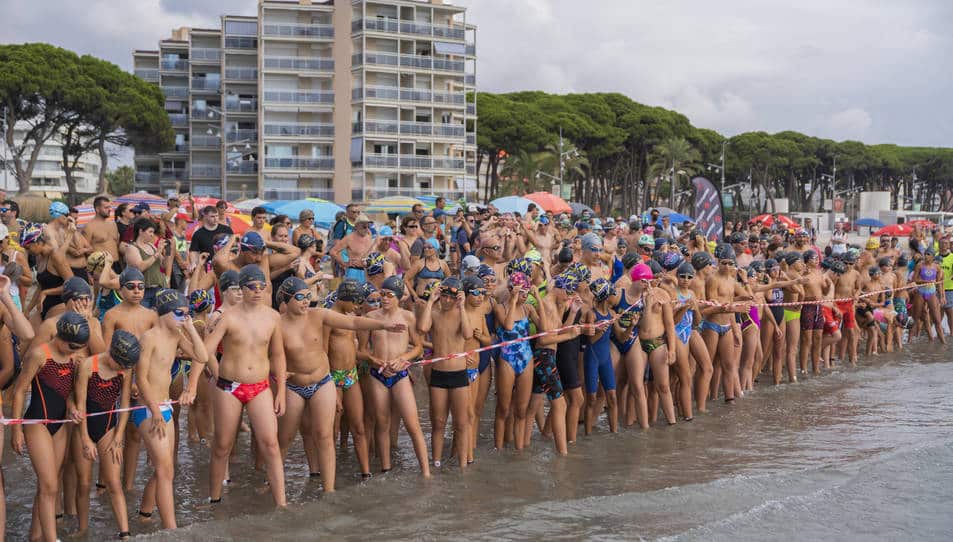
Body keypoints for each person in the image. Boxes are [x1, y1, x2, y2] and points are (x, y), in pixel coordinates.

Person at [277, 278, 404, 489]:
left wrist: (383, 325)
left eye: (308, 296)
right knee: (285, 438)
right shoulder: (278, 324)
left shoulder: (318, 315)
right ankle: (275, 483)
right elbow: (266, 352)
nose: (306, 301)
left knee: (325, 436)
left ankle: (329, 491)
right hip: (294, 386)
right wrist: (277, 374)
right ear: (287, 299)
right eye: (300, 297)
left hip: (323, 381)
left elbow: (353, 322)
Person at [203, 265, 287, 507]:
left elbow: (278, 355)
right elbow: (207, 350)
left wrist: (280, 390)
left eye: (262, 286)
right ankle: (215, 499)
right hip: (229, 386)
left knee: (271, 444)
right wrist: (192, 385)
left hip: (260, 387)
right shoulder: (227, 317)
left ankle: (282, 504)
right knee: (222, 446)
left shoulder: (272, 316)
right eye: (252, 286)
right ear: (242, 289)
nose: (258, 291)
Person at [10, 312, 89, 542]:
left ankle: (36, 536)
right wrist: (16, 429)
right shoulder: (39, 354)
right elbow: (19, 390)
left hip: (60, 424)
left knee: (47, 486)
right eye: (72, 346)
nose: (75, 351)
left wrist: (74, 407)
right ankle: (52, 539)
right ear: (60, 337)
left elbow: (68, 394)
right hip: (37, 423)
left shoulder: (73, 357)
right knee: (50, 486)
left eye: (79, 347)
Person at [133, 290, 206, 529]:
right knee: (165, 472)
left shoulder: (176, 335)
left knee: (165, 469)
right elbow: (141, 379)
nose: (183, 318)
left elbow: (201, 356)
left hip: (164, 406)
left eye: (186, 314)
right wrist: (154, 411)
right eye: (179, 313)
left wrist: (191, 328)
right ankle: (171, 529)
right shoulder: (149, 338)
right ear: (163, 313)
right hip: (148, 409)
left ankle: (144, 514)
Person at [356, 276, 430, 476]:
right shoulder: (371, 318)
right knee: (382, 423)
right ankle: (386, 469)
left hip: (400, 374)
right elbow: (360, 351)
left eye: (389, 295)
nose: (385, 298)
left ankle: (426, 472)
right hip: (377, 374)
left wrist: (403, 358)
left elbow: (418, 347)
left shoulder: (407, 317)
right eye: (382, 294)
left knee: (413, 424)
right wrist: (372, 359)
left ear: (398, 297)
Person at [72, 330, 140, 539]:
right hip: (82, 427)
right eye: (120, 365)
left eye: (126, 367)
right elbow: (80, 405)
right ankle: (82, 530)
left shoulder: (126, 369)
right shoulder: (88, 366)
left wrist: (119, 435)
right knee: (84, 483)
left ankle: (125, 533)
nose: (122, 369)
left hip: (108, 427)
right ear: (111, 354)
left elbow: (126, 404)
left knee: (114, 483)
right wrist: (84, 439)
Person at [418, 277, 472, 469]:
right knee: (438, 422)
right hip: (439, 374)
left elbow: (467, 334)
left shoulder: (460, 313)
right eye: (444, 297)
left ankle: (463, 464)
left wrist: (463, 307)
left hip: (459, 373)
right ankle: (436, 462)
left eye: (451, 297)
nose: (447, 301)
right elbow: (422, 328)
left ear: (457, 298)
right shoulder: (433, 312)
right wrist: (431, 300)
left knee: (461, 422)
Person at [123, 217, 171, 308]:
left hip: (159, 288)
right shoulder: (132, 248)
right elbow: (140, 267)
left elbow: (163, 265)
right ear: (141, 231)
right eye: (150, 232)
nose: (152, 235)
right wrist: (157, 253)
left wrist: (167, 253)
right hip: (143, 291)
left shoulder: (151, 245)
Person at [330, 213, 376, 283]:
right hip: (354, 271)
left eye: (367, 226)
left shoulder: (369, 234)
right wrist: (344, 263)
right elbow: (333, 252)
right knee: (353, 293)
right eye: (364, 226)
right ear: (356, 226)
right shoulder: (349, 238)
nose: (366, 228)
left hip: (368, 271)